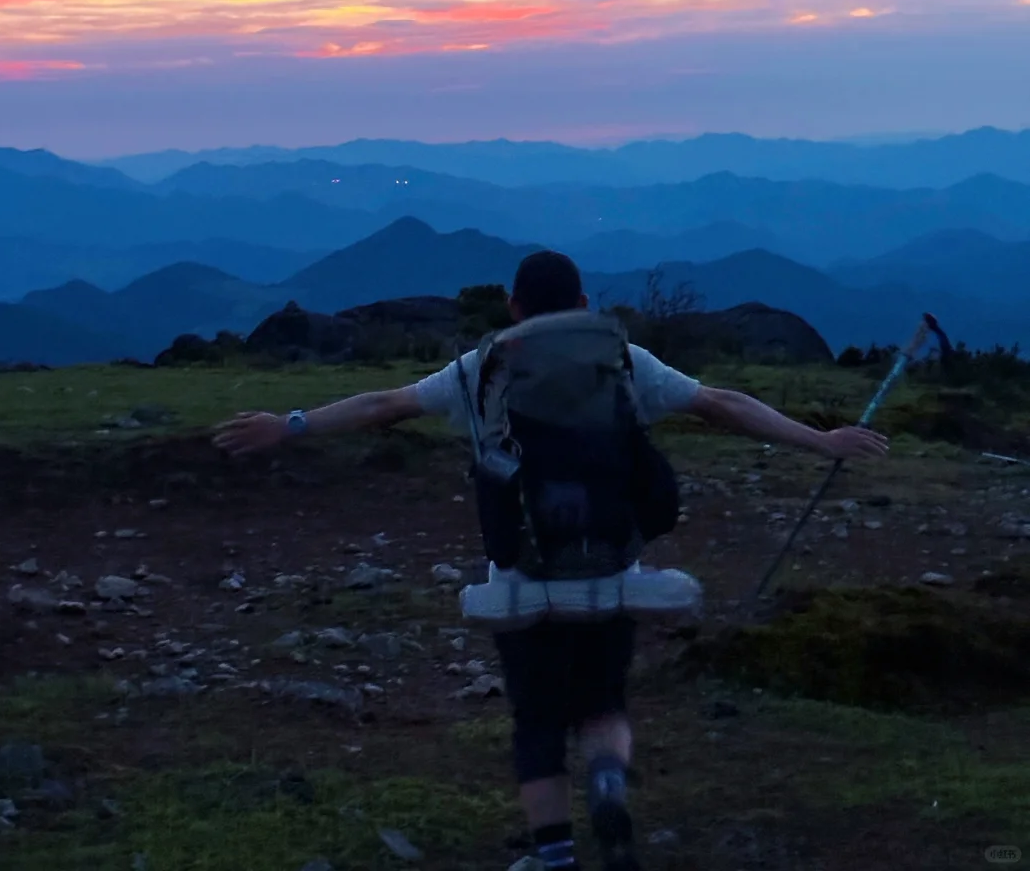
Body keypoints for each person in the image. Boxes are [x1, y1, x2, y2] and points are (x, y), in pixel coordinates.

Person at [215, 250, 888, 871]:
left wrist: (291, 425)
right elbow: (721, 405)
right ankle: (606, 786)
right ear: (583, 301)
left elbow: (384, 406)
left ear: (513, 306)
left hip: (522, 578)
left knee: (536, 719)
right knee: (602, 700)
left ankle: (556, 854)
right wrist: (820, 440)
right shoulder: (623, 361)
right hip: (612, 570)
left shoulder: (486, 367)